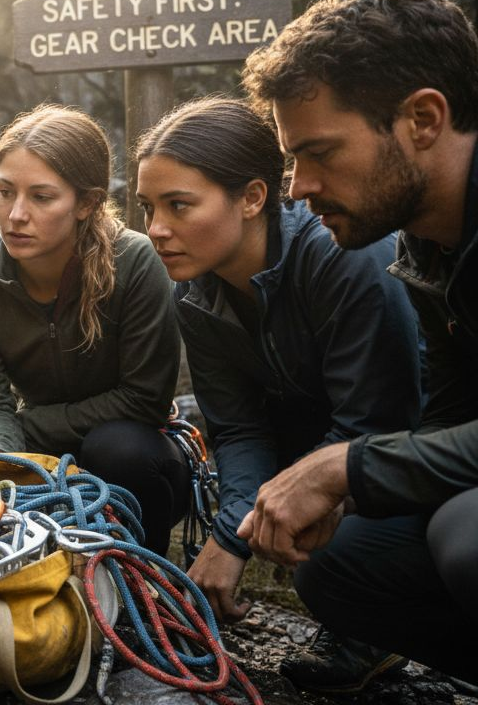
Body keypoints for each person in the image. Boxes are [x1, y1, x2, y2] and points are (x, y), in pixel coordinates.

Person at [239, 0, 478, 685]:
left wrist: (348, 466)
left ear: (423, 120)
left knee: (468, 538)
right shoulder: (425, 243)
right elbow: (454, 414)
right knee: (342, 564)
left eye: (320, 153)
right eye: (292, 159)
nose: (299, 187)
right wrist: (346, 493)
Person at [134, 96, 422, 691]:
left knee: (332, 569)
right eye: (148, 208)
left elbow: (380, 417)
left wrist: (239, 533)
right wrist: (228, 537)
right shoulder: (194, 292)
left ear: (253, 197)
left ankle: (377, 619)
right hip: (326, 443)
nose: (157, 230)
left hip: (414, 455)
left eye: (179, 205)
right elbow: (238, 427)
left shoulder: (341, 253)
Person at [0, 104, 186, 556]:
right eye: (5, 191)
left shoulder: (135, 262)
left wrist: (30, 424)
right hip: (38, 445)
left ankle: (146, 574)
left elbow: (145, 399)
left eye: (41, 197)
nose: (15, 215)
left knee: (115, 446)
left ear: (87, 203)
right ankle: (10, 553)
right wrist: (8, 471)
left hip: (135, 454)